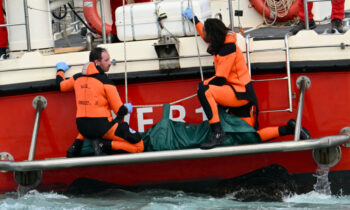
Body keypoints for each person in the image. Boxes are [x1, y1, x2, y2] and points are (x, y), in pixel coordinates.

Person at [182, 8, 311, 149]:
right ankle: (288, 129)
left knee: (205, 91)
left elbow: (220, 79)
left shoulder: (227, 49)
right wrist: (193, 19)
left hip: (239, 94)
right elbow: (204, 33)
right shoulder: (221, 41)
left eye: (207, 33)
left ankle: (217, 134)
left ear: (213, 35)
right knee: (251, 138)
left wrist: (203, 84)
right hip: (239, 93)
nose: (205, 35)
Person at [56, 47, 144, 157]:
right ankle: (104, 145)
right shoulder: (106, 82)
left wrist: (60, 70)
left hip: (82, 127)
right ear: (97, 62)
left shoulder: (77, 78)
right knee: (139, 146)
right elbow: (119, 111)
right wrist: (127, 108)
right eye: (106, 60)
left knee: (89, 122)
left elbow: (61, 86)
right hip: (102, 128)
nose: (110, 63)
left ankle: (76, 145)